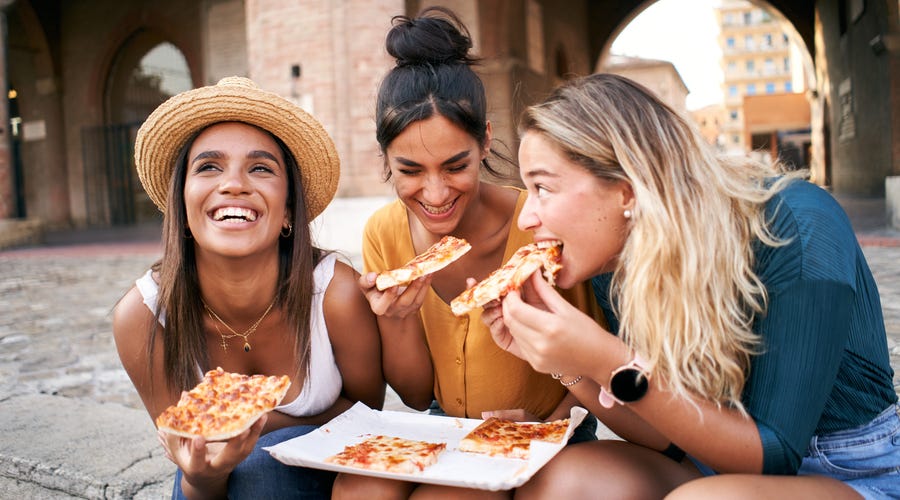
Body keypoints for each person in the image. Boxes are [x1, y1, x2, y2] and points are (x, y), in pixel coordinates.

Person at [481, 72, 899, 499]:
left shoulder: (798, 226)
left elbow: (774, 456)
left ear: (627, 192)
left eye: (543, 188)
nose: (525, 218)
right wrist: (569, 365)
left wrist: (605, 357)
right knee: (560, 478)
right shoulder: (612, 257)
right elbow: (668, 437)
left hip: (851, 469)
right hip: (713, 462)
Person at [332, 7, 599, 499]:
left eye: (455, 165)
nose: (435, 194)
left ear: (486, 142)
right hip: (447, 427)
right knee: (360, 487)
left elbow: (597, 367)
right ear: (385, 158)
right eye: (409, 170)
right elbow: (415, 397)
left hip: (558, 430)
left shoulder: (541, 226)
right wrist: (395, 319)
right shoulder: (385, 234)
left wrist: (541, 428)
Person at [112, 76, 385, 499]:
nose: (234, 184)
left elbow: (369, 419)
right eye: (208, 167)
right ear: (181, 208)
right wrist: (204, 474)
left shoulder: (336, 293)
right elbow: (194, 466)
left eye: (260, 168)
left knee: (260, 467)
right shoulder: (142, 317)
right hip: (214, 490)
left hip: (336, 477)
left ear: (290, 209)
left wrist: (244, 429)